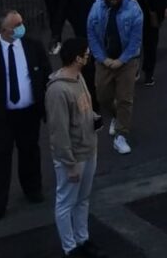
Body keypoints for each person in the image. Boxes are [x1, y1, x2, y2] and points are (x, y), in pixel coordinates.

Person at [45, 38, 103, 258]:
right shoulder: (58, 91)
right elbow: (59, 131)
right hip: (74, 156)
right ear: (77, 58)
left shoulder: (79, 78)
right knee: (66, 202)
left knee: (83, 199)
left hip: (88, 149)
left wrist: (93, 118)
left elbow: (84, 109)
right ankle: (70, 248)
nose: (88, 57)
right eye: (86, 54)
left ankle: (82, 239)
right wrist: (69, 164)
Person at [0, 10, 50, 219]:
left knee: (30, 151)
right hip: (2, 116)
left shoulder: (33, 45)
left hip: (29, 112)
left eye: (21, 23)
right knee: (1, 156)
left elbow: (46, 73)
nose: (21, 28)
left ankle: (33, 189)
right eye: (16, 25)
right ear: (4, 30)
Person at [86, 0, 142, 155]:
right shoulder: (96, 8)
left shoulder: (133, 8)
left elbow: (136, 39)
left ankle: (121, 135)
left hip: (127, 60)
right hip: (104, 60)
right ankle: (116, 117)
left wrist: (121, 60)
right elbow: (91, 36)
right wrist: (103, 59)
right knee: (103, 96)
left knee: (125, 99)